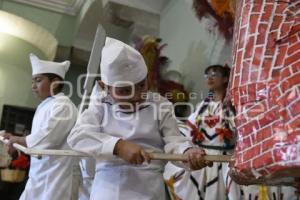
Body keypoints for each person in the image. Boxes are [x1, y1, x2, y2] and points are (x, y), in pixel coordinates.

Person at [67, 37, 211, 200]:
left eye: (141, 85)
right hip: (107, 190)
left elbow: (174, 142)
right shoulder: (100, 105)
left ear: (148, 78)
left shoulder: (160, 105)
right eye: (124, 90)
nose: (136, 95)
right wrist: (118, 146)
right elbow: (78, 137)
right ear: (104, 87)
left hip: (149, 191)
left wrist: (187, 153)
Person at [4, 54, 78, 200]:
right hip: (38, 175)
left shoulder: (63, 105)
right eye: (32, 81)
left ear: (55, 82)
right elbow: (36, 141)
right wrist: (16, 143)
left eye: (38, 80)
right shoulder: (45, 105)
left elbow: (48, 138)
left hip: (53, 179)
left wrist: (18, 140)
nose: (33, 86)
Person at [172, 64, 242, 200]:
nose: (210, 78)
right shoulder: (201, 106)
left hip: (224, 161)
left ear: (225, 79)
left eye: (214, 74)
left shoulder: (233, 106)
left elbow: (241, 133)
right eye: (207, 75)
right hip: (201, 159)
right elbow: (188, 130)